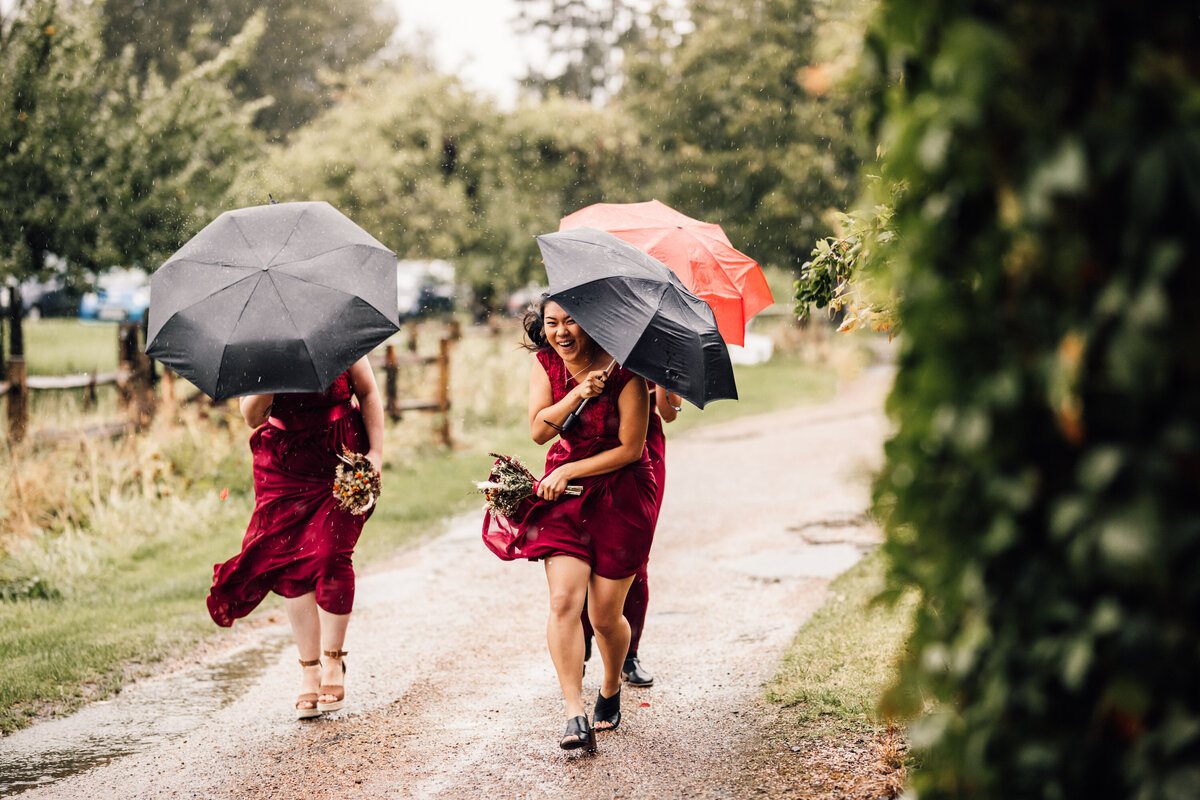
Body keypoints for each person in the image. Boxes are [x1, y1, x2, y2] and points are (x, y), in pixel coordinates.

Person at [482, 298, 657, 751]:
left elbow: (631, 449)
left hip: (621, 495)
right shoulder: (547, 364)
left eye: (571, 320)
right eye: (551, 322)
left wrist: (570, 470)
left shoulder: (627, 371)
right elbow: (539, 431)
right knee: (563, 600)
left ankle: (611, 685)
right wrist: (577, 393)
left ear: (592, 322)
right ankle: (573, 710)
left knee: (603, 617)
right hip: (565, 498)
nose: (560, 332)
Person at [206, 356, 384, 720]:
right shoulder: (261, 349)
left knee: (332, 553)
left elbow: (367, 392)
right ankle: (310, 669)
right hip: (284, 462)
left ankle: (334, 661)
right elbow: (251, 416)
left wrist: (376, 453)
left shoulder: (338, 335)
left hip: (340, 456)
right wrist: (273, 369)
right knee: (289, 562)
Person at [580, 384, 680, 687]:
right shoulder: (593, 338)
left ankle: (629, 653)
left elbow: (669, 412)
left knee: (633, 554)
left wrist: (664, 380)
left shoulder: (658, 345)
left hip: (644, 451)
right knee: (581, 547)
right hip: (591, 441)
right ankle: (581, 638)